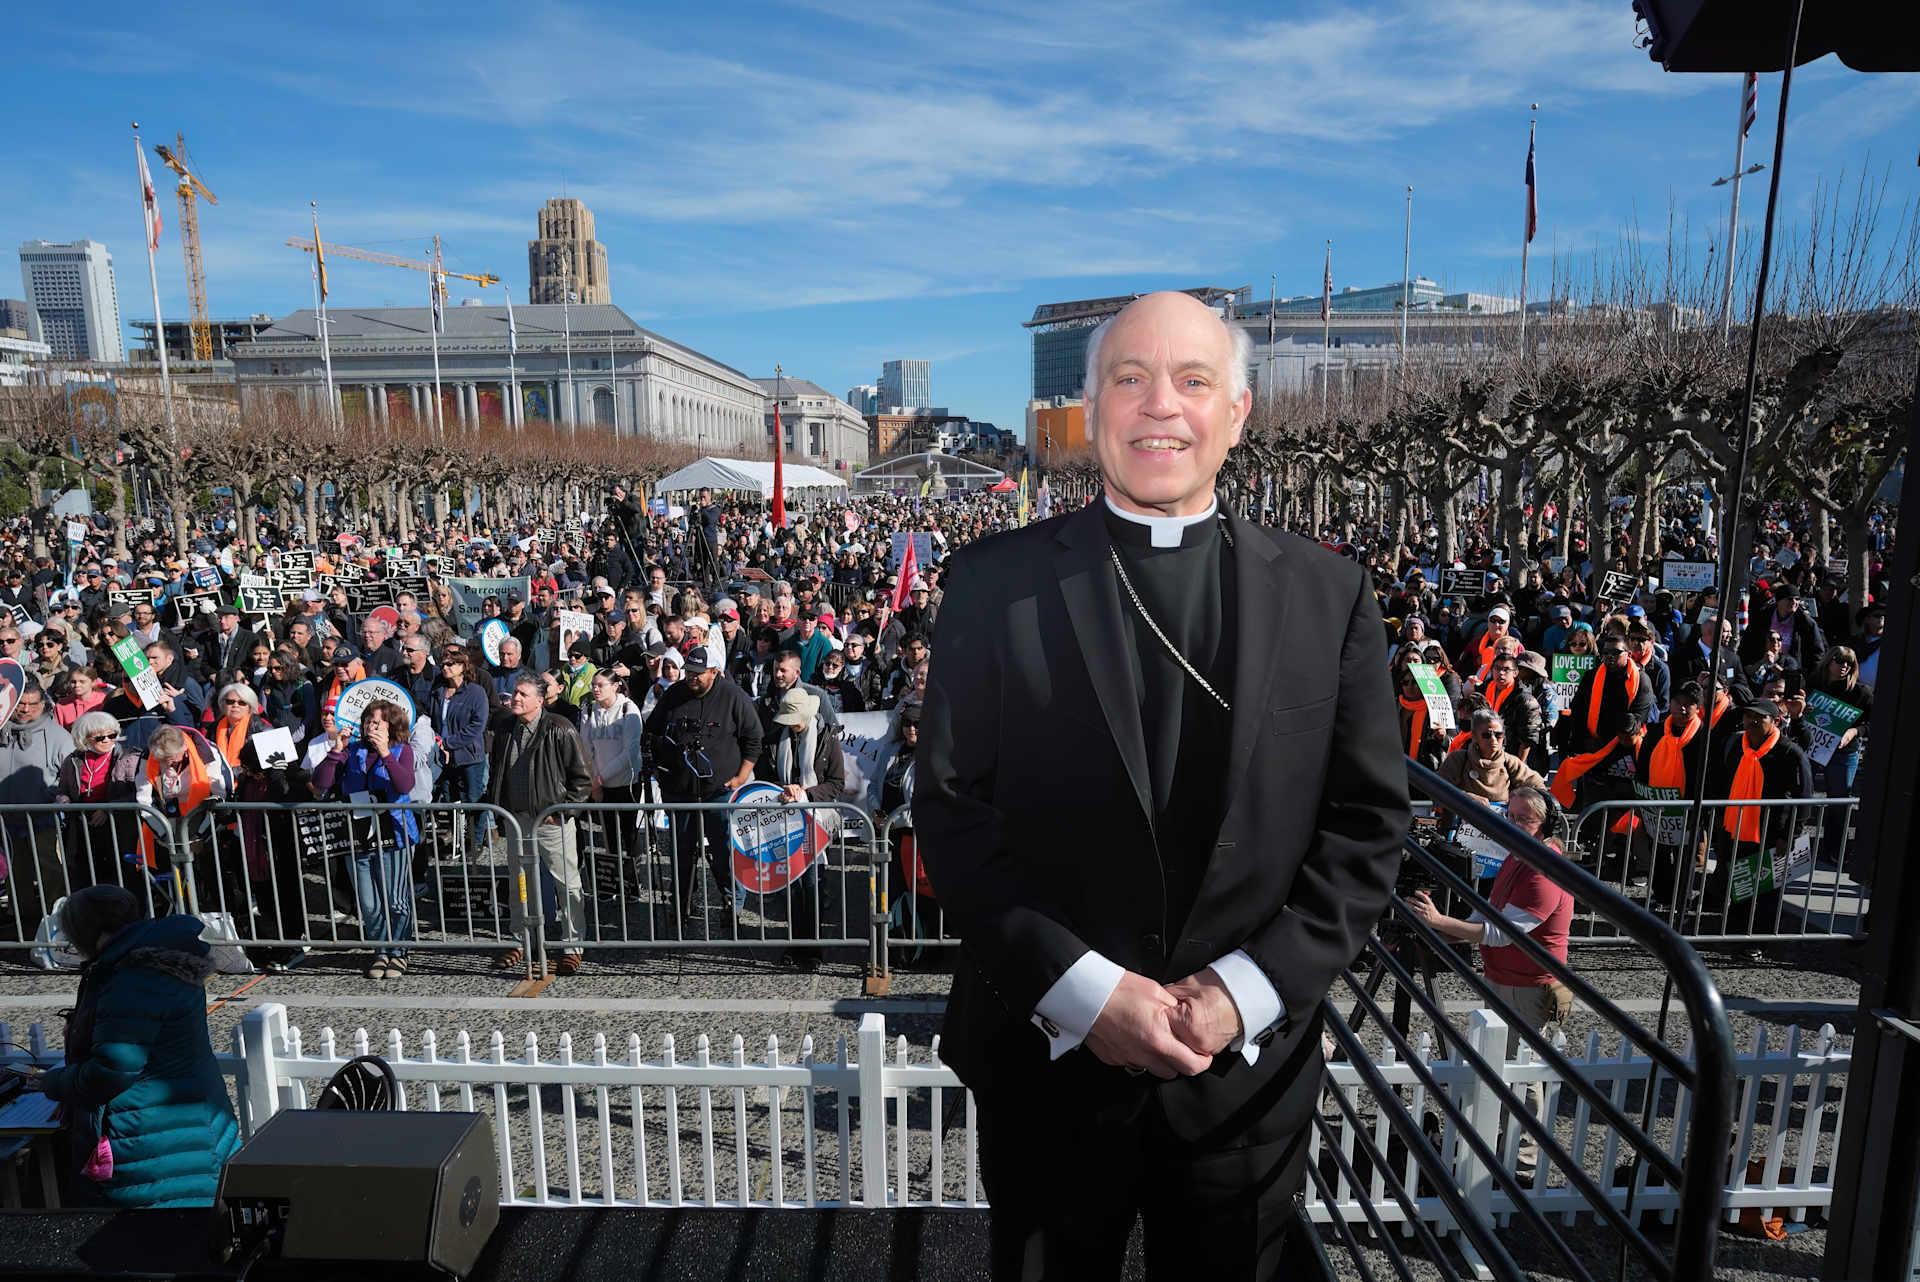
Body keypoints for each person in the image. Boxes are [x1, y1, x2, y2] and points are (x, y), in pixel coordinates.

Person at [915, 291, 1407, 1278]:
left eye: (1193, 380)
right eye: (1130, 379)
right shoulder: (989, 584)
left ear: (1238, 412)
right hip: (1046, 1061)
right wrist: (1086, 995)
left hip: (1246, 1082)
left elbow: (1365, 828)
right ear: (1092, 409)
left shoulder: (1330, 596)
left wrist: (1243, 992)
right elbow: (953, 814)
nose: (1160, 406)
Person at [18, 886, 240, 1206]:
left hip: (153, 1139)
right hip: (188, 1124)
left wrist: (53, 1083)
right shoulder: (154, 961)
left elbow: (113, 1069)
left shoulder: (131, 979)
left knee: (159, 1227)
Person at [1406, 787, 1573, 1179]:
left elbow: (1501, 932)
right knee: (1503, 1066)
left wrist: (1439, 923)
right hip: (1507, 978)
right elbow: (1485, 915)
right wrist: (1441, 930)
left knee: (1521, 1073)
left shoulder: (1543, 870)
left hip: (1529, 984)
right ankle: (1505, 1148)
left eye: (1524, 820)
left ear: (1546, 825)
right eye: (1509, 817)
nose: (1512, 825)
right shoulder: (1518, 856)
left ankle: (1523, 1165)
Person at [644, 650, 762, 935]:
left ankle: (732, 906)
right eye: (689, 672)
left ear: (714, 671)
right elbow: (652, 732)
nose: (692, 678)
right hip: (679, 790)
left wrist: (741, 777)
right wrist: (657, 765)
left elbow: (754, 739)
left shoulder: (733, 696)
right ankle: (682, 904)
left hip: (719, 791)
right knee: (681, 852)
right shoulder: (674, 694)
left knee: (724, 852)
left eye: (698, 673)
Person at [486, 673, 593, 975]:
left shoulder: (560, 728)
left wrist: (562, 812)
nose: (515, 698)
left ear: (540, 700)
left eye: (523, 694)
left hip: (551, 821)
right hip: (517, 818)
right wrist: (498, 805)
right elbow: (497, 769)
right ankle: (520, 939)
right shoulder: (505, 726)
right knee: (519, 882)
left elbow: (582, 778)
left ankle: (572, 946)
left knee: (566, 883)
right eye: (515, 693)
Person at [311, 701, 419, 980]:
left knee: (396, 899)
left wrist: (385, 753)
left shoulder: (402, 750)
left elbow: (405, 784)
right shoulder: (353, 750)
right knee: (369, 903)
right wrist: (337, 750)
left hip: (394, 834)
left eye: (378, 722)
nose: (371, 726)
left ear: (391, 727)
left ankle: (400, 951)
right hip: (358, 836)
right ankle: (381, 950)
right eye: (368, 721)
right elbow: (321, 781)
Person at [753, 686, 849, 969]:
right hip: (785, 821)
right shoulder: (774, 739)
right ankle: (795, 944)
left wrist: (805, 794)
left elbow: (836, 783)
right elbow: (763, 778)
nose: (791, 726)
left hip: (815, 819)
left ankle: (814, 948)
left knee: (813, 885)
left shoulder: (827, 739)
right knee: (791, 886)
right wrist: (781, 791)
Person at [1704, 698, 1813, 936]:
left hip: (1771, 834)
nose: (1752, 721)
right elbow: (1723, 782)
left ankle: (1759, 940)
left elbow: (1803, 798)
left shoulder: (1790, 752)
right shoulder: (1736, 745)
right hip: (1736, 828)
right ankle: (1736, 932)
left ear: (1775, 721)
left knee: (1766, 892)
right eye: (1748, 715)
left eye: (1760, 717)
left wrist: (1790, 835)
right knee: (1741, 883)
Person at [1, 686, 73, 932]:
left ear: (43, 705)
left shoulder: (58, 736)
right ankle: (20, 917)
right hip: (6, 819)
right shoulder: (1, 727)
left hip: (44, 817)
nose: (26, 709)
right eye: (21, 703)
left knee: (49, 868)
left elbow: (69, 775)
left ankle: (57, 918)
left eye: (33, 704)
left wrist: (60, 798)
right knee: (15, 870)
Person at [579, 668, 645, 895]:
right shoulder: (589, 709)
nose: (595, 689)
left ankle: (633, 882)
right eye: (593, 685)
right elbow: (585, 747)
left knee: (629, 834)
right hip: (600, 783)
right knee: (608, 834)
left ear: (615, 686)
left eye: (601, 685)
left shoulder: (628, 709)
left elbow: (630, 752)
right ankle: (613, 882)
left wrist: (600, 777)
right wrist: (593, 780)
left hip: (626, 782)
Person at [1806, 645, 1871, 868]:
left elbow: (1874, 721)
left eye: (1849, 663)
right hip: (1812, 748)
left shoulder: (1861, 692)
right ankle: (1794, 847)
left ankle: (1833, 852)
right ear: (1828, 661)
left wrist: (1854, 731)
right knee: (1801, 795)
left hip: (1844, 752)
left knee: (1839, 803)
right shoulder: (1814, 683)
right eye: (1839, 660)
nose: (1844, 666)